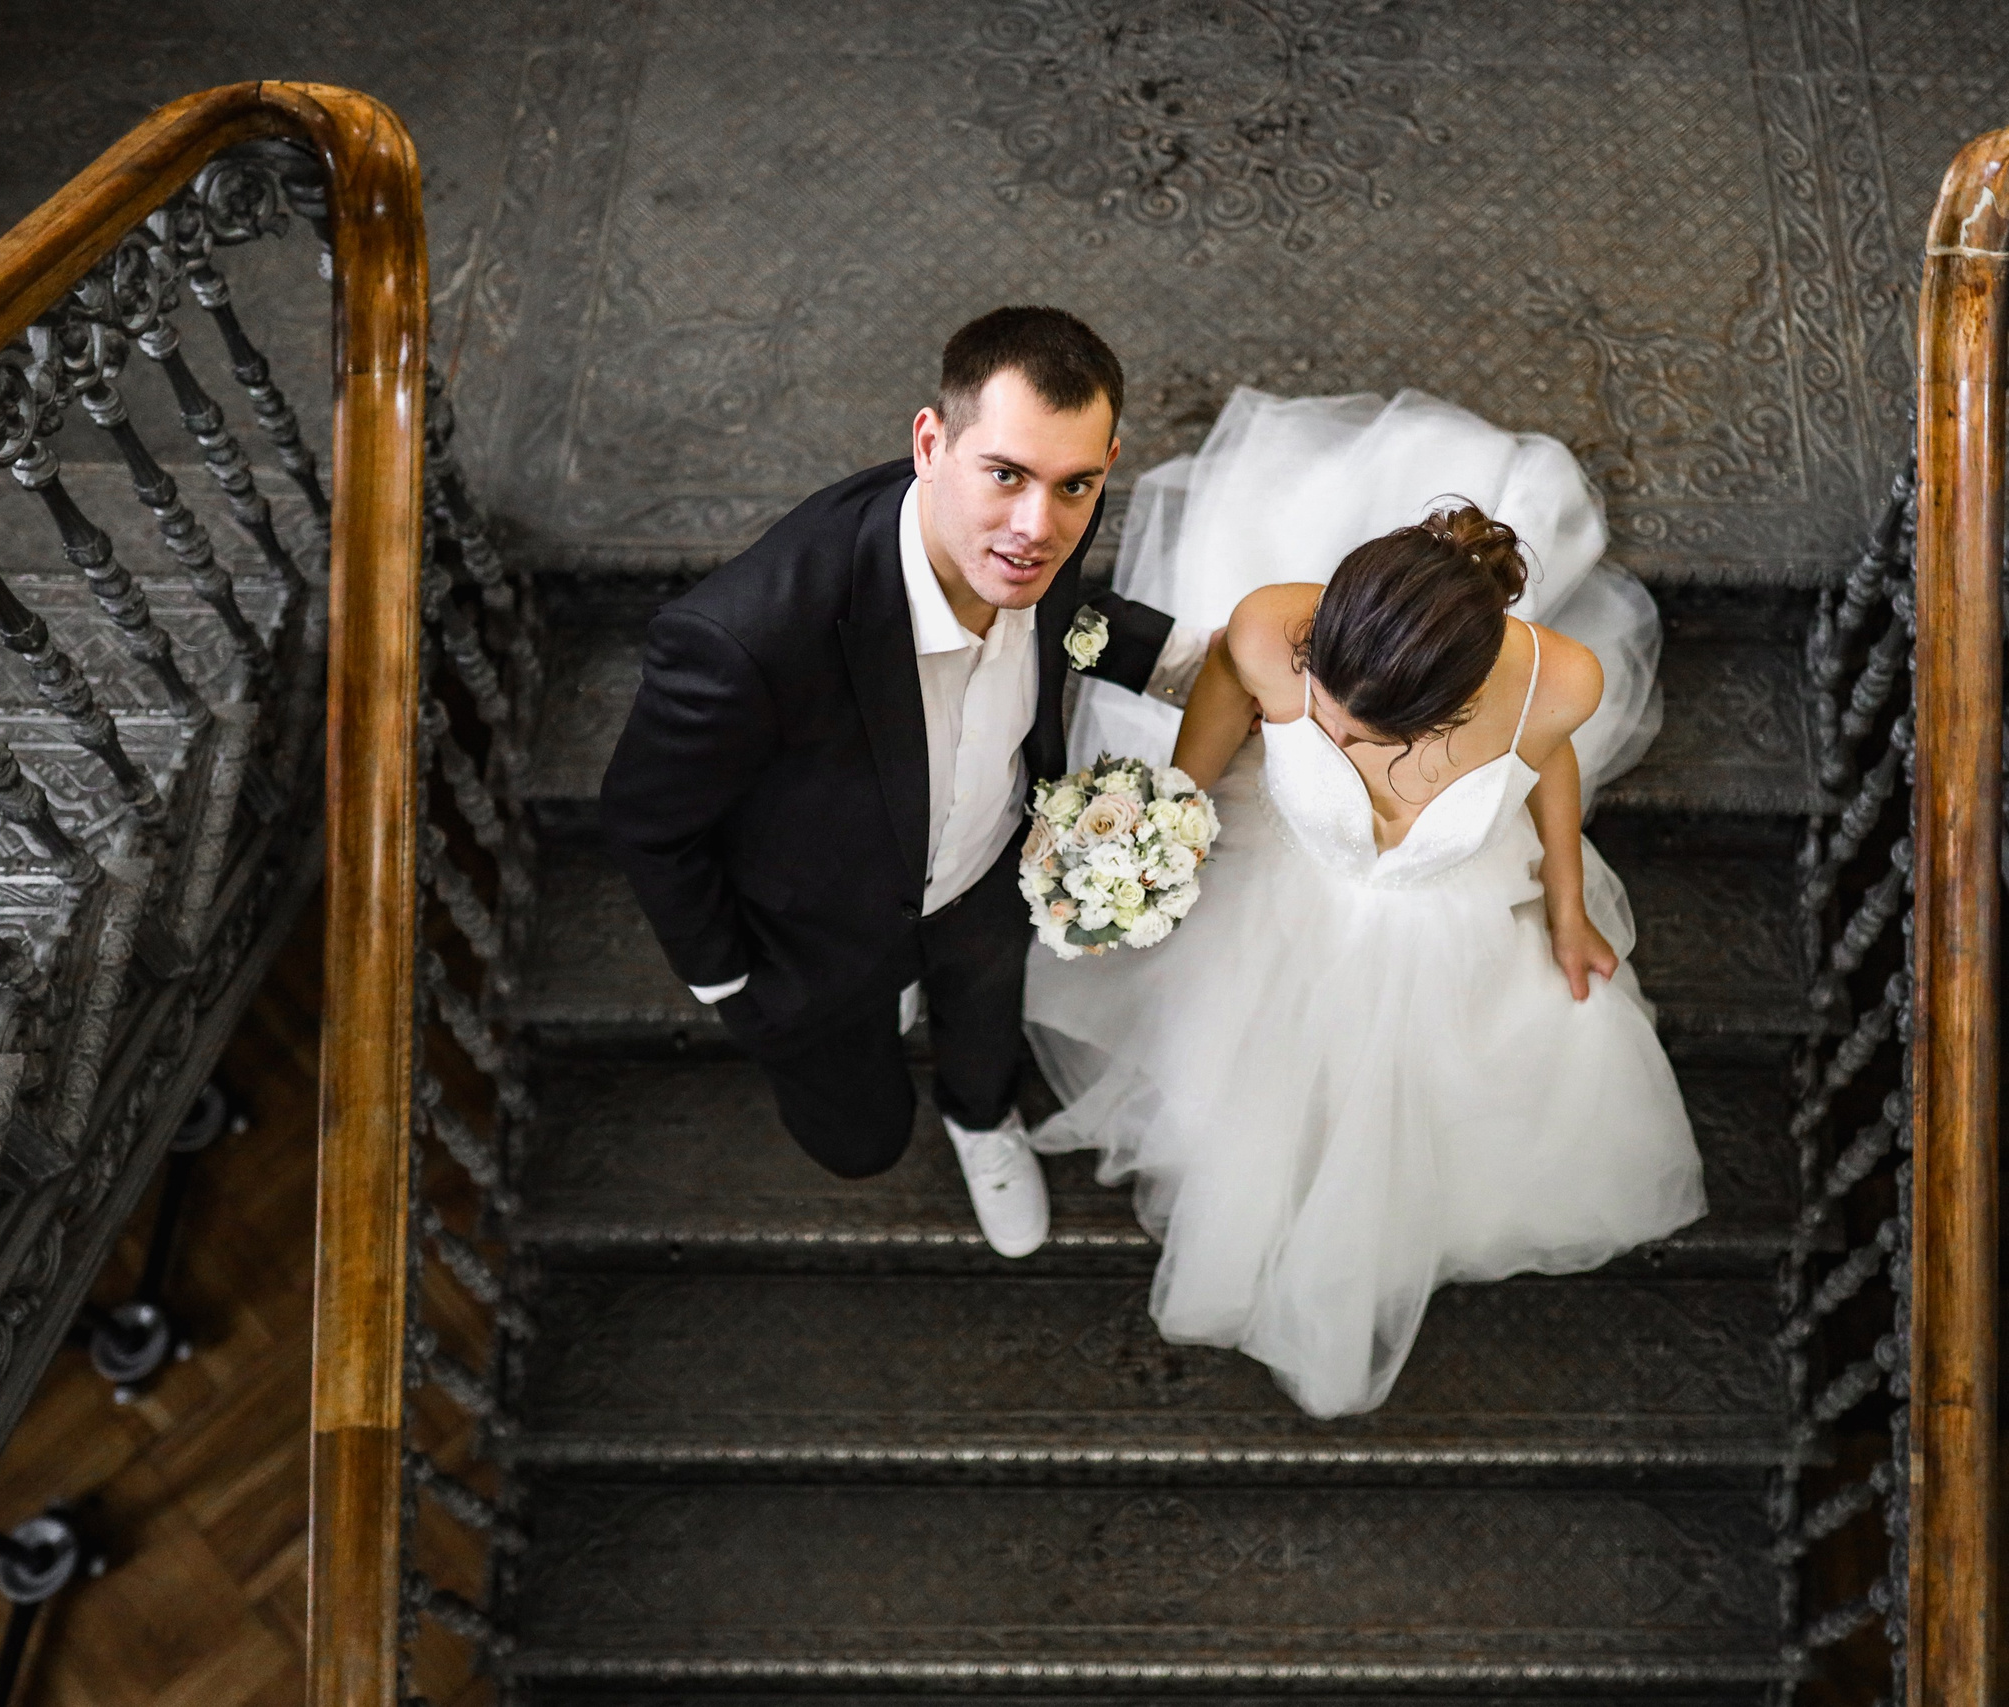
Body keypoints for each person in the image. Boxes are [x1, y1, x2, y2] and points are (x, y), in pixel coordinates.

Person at [1024, 388, 1708, 1418]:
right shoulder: (1271, 632)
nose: (1327, 734)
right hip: (1280, 896)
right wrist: (1150, 855)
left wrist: (1568, 908)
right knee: (1249, 1102)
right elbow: (1192, 780)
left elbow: (1548, 768)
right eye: (1322, 707)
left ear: (1451, 704)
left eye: (1362, 732)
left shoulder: (1558, 680)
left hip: (1443, 926)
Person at [600, 308, 1205, 1259]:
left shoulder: (1042, 525)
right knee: (862, 1142)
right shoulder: (744, 639)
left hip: (987, 878)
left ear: (1104, 466)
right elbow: (647, 821)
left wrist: (1194, 666)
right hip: (820, 933)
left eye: (1075, 484)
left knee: (985, 1014)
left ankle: (981, 1117)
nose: (1036, 529)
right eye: (1004, 474)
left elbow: (1071, 611)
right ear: (931, 443)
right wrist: (733, 983)